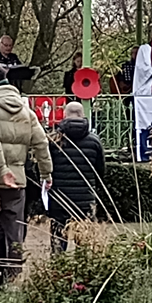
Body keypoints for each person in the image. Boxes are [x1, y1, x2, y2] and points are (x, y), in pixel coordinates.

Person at [0, 64, 53, 285]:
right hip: (18, 183)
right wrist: (47, 173)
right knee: (14, 233)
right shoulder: (26, 109)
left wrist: (1, 169)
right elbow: (41, 143)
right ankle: (12, 280)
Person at [47, 102, 107, 252]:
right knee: (85, 244)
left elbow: (46, 168)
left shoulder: (53, 140)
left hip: (59, 199)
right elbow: (100, 171)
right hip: (85, 199)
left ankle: (57, 272)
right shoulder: (94, 141)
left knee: (58, 242)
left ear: (65, 115)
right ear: (83, 115)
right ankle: (83, 272)